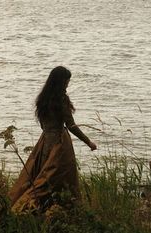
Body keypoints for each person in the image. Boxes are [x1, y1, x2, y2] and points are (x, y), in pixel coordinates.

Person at [8, 66, 97, 212]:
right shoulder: (61, 99)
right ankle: (59, 208)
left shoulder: (42, 99)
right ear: (61, 82)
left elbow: (43, 125)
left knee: (41, 175)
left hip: (44, 142)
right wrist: (89, 142)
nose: (68, 84)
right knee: (60, 177)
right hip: (60, 144)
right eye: (67, 81)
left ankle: (38, 209)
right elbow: (71, 125)